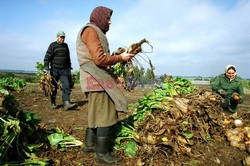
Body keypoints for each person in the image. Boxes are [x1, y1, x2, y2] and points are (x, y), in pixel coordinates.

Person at [76, 6, 134, 163]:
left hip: (96, 79)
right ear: (100, 17)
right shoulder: (90, 30)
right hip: (96, 80)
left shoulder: (93, 31)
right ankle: (102, 154)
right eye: (108, 18)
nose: (110, 21)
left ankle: (89, 145)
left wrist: (117, 56)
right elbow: (99, 59)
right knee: (105, 116)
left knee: (96, 113)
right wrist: (120, 58)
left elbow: (100, 57)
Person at [44, 30, 76, 110]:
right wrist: (46, 68)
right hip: (54, 70)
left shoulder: (66, 46)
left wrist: (69, 67)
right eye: (61, 37)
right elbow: (47, 57)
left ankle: (66, 103)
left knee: (66, 86)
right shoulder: (53, 45)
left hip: (64, 70)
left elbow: (68, 58)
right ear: (57, 37)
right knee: (53, 87)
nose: (62, 39)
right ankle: (53, 102)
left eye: (63, 37)